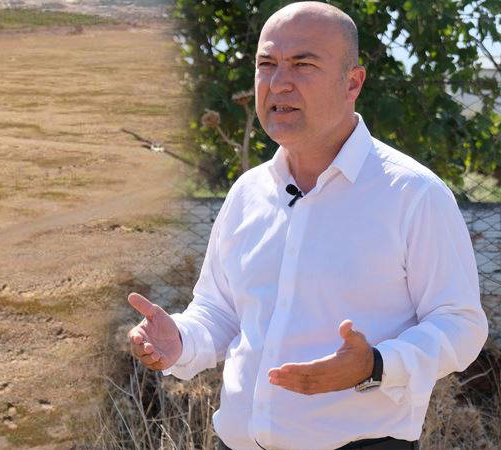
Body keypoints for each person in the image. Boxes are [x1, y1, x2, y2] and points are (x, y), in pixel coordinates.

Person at [126, 2, 489, 450]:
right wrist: (179, 340)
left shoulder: (413, 194)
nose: (279, 82)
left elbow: (460, 324)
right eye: (267, 64)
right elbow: (220, 312)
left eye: (303, 64)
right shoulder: (248, 193)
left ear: (352, 82)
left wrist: (376, 365)